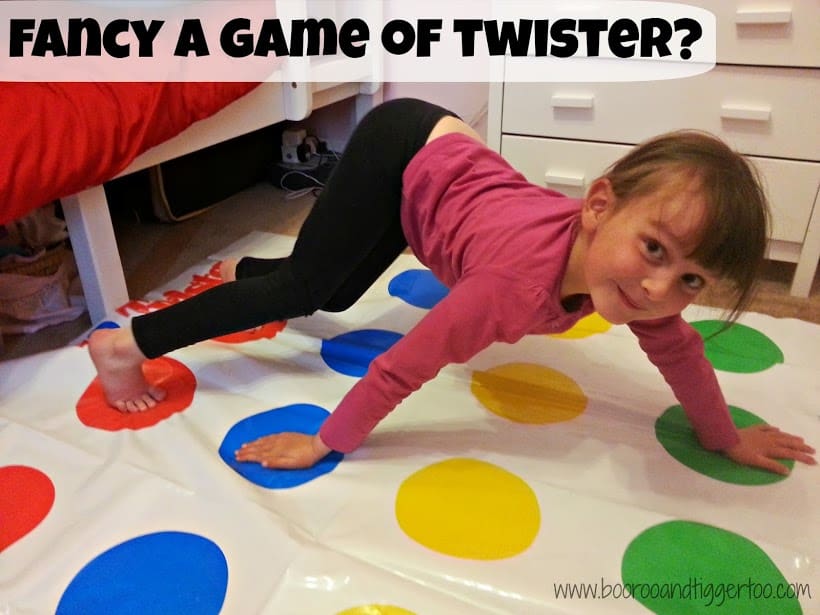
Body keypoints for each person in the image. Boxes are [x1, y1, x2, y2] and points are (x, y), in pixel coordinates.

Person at [88, 98, 816, 475]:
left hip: (440, 187)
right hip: (402, 148)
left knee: (335, 294)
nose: (661, 288)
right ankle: (126, 343)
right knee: (308, 288)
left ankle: (249, 275)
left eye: (691, 277)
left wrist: (723, 439)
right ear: (598, 208)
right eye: (655, 249)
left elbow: (682, 353)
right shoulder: (507, 288)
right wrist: (325, 442)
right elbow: (405, 365)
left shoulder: (638, 289)